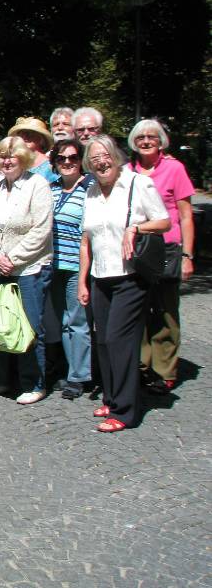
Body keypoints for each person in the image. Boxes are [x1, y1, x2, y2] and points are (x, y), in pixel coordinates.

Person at [78, 135, 169, 432]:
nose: (100, 162)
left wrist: (136, 227)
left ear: (116, 156)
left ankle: (126, 411)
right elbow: (86, 240)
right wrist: (83, 280)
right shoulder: (90, 190)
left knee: (120, 341)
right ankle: (112, 397)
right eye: (94, 158)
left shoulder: (136, 183)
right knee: (103, 341)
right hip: (101, 276)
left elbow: (164, 221)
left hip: (130, 275)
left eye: (105, 156)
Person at [0, 135, 53, 405]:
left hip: (29, 268)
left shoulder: (37, 185)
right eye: (2, 156)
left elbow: (41, 230)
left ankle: (34, 382)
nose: (7, 160)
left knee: (29, 326)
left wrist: (12, 257)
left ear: (24, 158)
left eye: (12, 155)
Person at [127, 119, 195, 394]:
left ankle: (165, 369)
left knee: (165, 310)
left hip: (166, 248)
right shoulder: (128, 169)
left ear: (161, 140)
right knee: (138, 309)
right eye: (140, 136)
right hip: (136, 249)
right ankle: (142, 366)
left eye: (151, 136)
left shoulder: (174, 168)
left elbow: (187, 216)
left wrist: (188, 255)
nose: (145, 141)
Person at [48, 137, 93, 399]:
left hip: (77, 265)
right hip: (53, 264)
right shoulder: (51, 188)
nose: (67, 162)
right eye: (62, 158)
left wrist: (85, 275)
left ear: (81, 161)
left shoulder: (89, 188)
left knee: (76, 322)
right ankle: (67, 369)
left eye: (73, 158)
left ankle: (79, 376)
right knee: (59, 322)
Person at [8, 116, 58, 183]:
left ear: (41, 138)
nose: (24, 136)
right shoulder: (14, 162)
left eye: (30, 132)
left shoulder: (51, 166)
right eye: (21, 133)